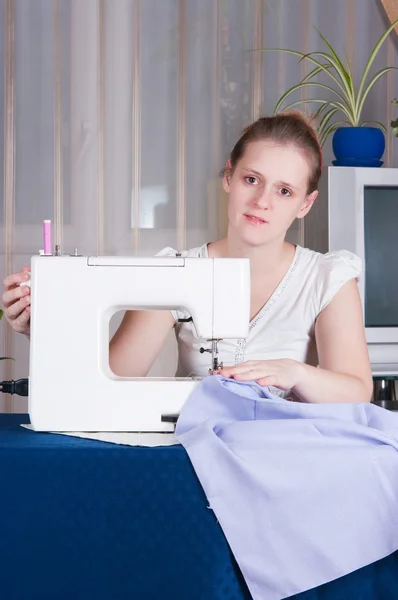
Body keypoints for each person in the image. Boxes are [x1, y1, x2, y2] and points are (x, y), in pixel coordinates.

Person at [1, 111, 373, 404]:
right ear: (229, 176)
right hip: (194, 453)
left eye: (285, 190)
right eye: (251, 179)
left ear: (305, 204)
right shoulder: (174, 271)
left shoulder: (328, 278)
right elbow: (111, 378)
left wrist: (295, 373)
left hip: (291, 457)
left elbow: (356, 391)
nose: (262, 201)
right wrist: (46, 331)